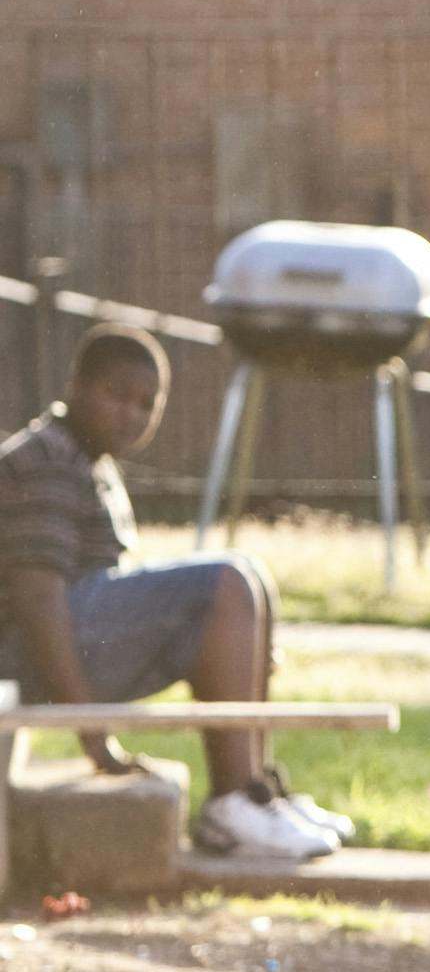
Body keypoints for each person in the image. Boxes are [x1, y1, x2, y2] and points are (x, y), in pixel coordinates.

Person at [0, 327, 349, 863]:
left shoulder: (84, 457)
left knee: (249, 579)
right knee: (226, 584)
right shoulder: (43, 459)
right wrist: (97, 740)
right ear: (76, 385)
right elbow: (38, 604)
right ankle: (232, 804)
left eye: (147, 403)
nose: (131, 415)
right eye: (116, 396)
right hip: (23, 659)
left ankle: (254, 791)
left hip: (63, 647)